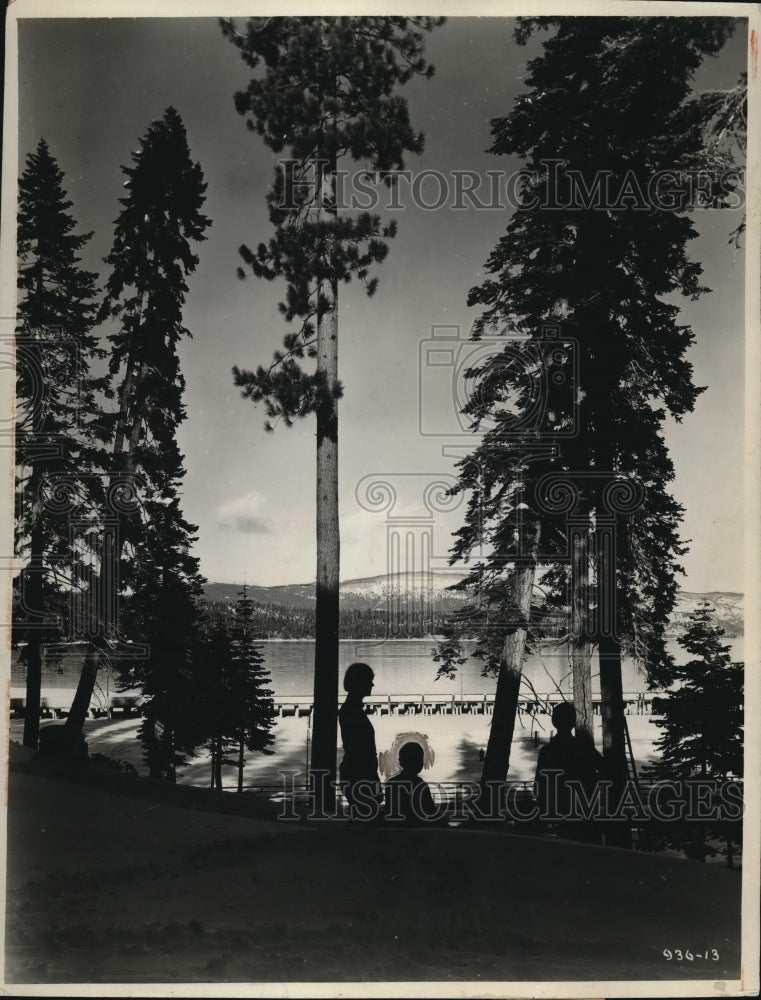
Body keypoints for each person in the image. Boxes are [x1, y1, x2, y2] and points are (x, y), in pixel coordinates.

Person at [535, 702, 605, 842]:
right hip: (585, 811)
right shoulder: (584, 748)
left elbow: (539, 787)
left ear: (554, 722)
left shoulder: (546, 752)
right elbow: (605, 770)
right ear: (573, 722)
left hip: (560, 813)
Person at [339, 662, 381, 820]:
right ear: (360, 682)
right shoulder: (352, 711)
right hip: (360, 775)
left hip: (357, 774)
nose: (372, 684)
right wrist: (372, 780)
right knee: (367, 821)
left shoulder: (351, 708)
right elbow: (360, 750)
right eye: (369, 680)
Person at [384, 741, 445, 826]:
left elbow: (388, 811)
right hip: (417, 829)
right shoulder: (421, 785)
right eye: (420, 759)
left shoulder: (391, 783)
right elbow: (431, 812)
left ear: (401, 761)